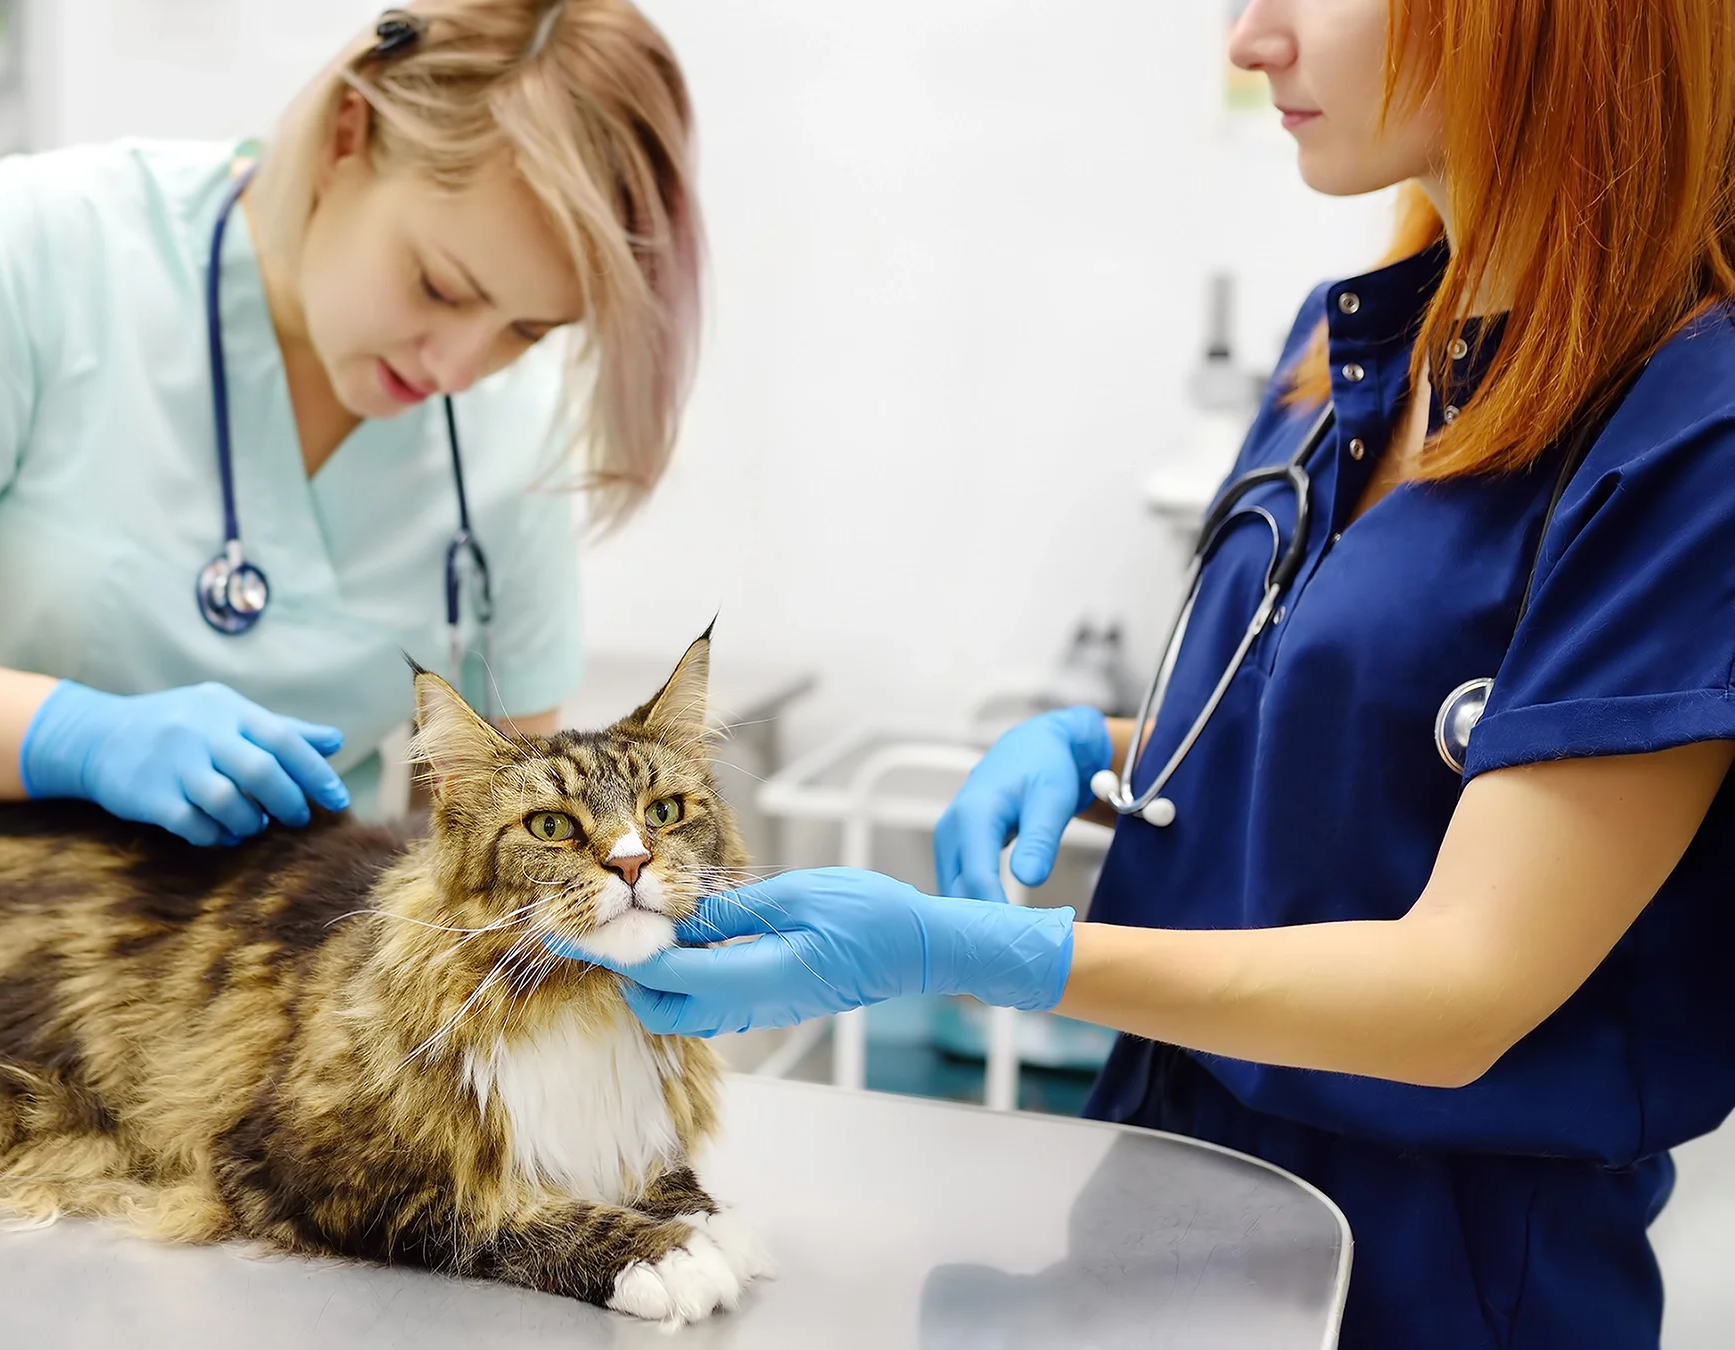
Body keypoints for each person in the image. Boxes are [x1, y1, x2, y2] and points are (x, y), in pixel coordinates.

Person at [559, 1, 1735, 1344]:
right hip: (1168, 1171)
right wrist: (1108, 740)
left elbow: (1464, 987)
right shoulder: (1352, 344)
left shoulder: (1692, 436)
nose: (1250, 42)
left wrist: (971, 951)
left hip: (1442, 1268)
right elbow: (1370, 733)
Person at [0, 1, 703, 899]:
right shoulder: (50, 249)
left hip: (238, 1026)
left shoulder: (512, 421)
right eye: (440, 287)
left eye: (528, 330)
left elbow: (506, 840)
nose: (460, 363)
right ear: (350, 134)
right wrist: (74, 737)